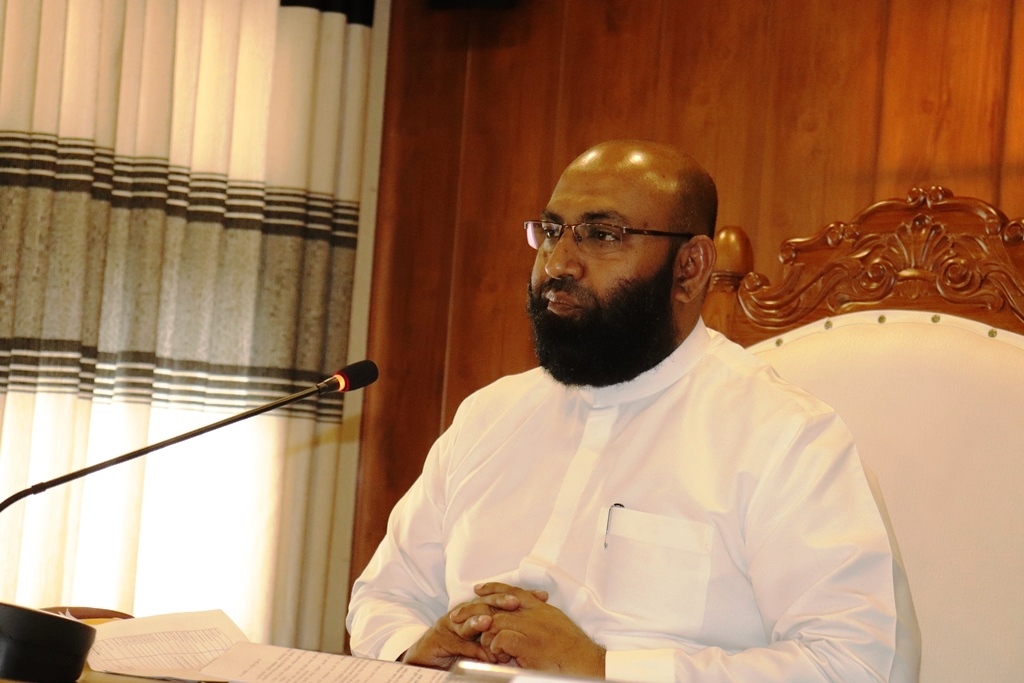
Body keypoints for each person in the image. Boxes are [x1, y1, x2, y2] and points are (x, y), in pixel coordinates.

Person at [346, 140, 920, 682]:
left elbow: (855, 662)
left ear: (689, 267)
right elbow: (385, 595)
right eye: (552, 231)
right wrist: (416, 650)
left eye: (601, 235)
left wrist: (603, 668)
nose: (559, 263)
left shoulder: (784, 436)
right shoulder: (489, 416)